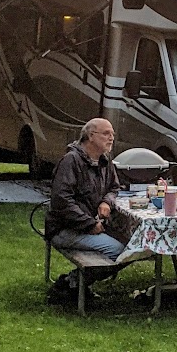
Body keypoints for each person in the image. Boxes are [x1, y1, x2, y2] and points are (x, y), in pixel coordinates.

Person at [44, 118, 124, 300]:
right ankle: (71, 283)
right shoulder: (71, 161)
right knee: (119, 251)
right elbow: (61, 202)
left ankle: (75, 283)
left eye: (112, 134)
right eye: (106, 133)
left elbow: (114, 187)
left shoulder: (105, 161)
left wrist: (106, 202)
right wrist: (89, 224)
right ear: (90, 136)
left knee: (133, 242)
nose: (111, 138)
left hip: (88, 225)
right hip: (64, 228)